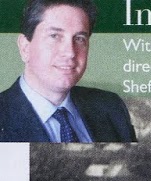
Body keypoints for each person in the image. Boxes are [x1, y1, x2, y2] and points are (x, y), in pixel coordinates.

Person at [0, 0, 136, 143]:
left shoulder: (111, 107)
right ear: (25, 47)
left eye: (79, 38)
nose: (70, 52)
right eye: (54, 36)